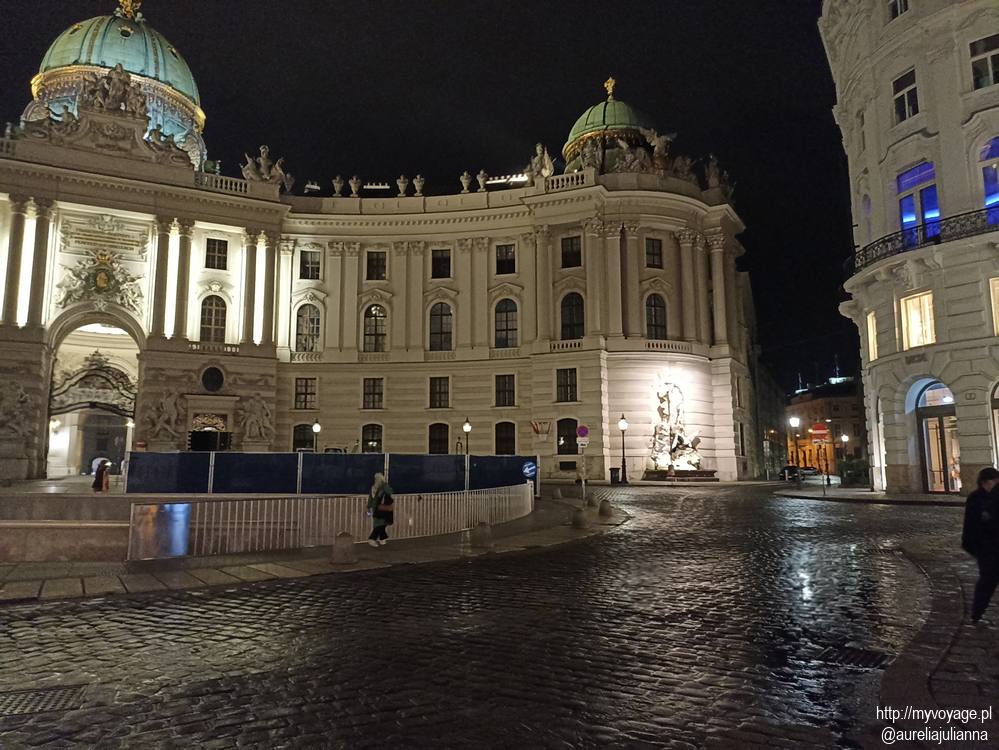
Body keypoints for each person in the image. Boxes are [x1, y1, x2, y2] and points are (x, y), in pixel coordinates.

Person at [961, 467, 999, 622]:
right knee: (987, 581)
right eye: (994, 481)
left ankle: (977, 613)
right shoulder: (976, 498)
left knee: (987, 581)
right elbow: (970, 525)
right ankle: (977, 613)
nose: (996, 484)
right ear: (984, 482)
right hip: (986, 548)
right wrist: (973, 546)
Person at [366, 473, 394, 547]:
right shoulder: (384, 486)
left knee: (380, 524)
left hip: (375, 508)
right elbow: (390, 492)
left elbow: (370, 499)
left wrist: (369, 508)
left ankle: (382, 538)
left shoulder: (373, 488)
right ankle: (372, 539)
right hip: (383, 508)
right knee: (380, 524)